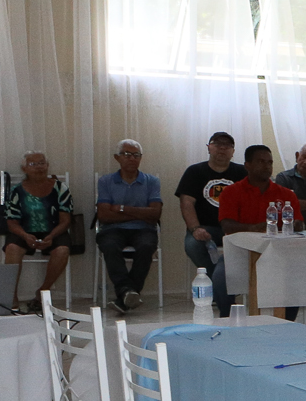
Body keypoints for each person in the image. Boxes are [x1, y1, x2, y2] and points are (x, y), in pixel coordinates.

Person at [216, 145, 302, 316]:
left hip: (278, 254)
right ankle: (228, 322)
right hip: (240, 252)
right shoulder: (231, 192)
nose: (267, 167)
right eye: (261, 162)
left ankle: (287, 324)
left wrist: (286, 226)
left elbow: (298, 224)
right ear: (247, 165)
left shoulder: (286, 194)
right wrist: (253, 228)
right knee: (220, 279)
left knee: (297, 280)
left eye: (270, 162)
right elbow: (227, 225)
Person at [94, 138, 161, 311]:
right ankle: (128, 293)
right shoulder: (105, 181)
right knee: (109, 245)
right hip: (112, 230)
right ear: (117, 158)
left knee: (147, 246)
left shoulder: (151, 181)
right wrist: (139, 213)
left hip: (144, 229)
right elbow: (104, 215)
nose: (131, 158)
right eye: (126, 154)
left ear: (140, 158)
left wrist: (121, 209)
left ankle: (125, 294)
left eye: (135, 155)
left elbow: (155, 214)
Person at [1, 151, 74, 311]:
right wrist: (25, 235)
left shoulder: (60, 188)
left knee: (62, 250)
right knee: (12, 248)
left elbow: (66, 220)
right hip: (23, 231)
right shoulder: (16, 191)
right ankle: (11, 296)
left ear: (47, 166)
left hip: (54, 231)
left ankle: (43, 292)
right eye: (33, 164)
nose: (39, 167)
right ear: (24, 168)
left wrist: (51, 236)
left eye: (42, 163)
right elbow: (11, 222)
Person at [176, 131, 242, 282]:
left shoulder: (242, 173)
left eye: (227, 145)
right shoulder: (194, 172)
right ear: (208, 148)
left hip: (235, 228)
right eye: (217, 144)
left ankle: (229, 286)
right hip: (205, 228)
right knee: (192, 245)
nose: (222, 148)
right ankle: (219, 285)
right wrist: (195, 228)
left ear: (233, 152)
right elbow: (186, 203)